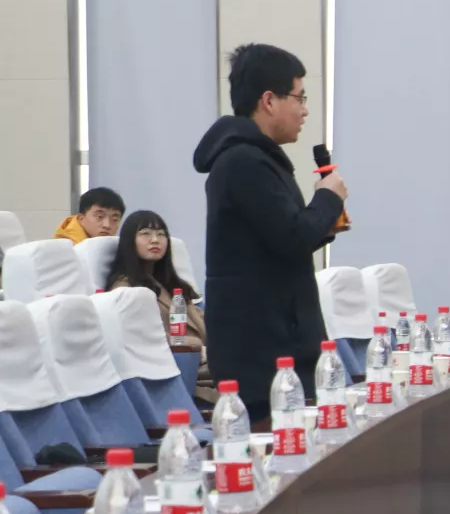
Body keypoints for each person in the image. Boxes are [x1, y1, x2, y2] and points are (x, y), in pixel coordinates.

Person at [193, 43, 347, 423]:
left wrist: (322, 218)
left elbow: (277, 238)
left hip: (278, 345)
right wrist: (327, 199)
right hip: (262, 356)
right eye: (299, 97)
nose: (305, 110)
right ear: (268, 101)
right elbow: (292, 237)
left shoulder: (258, 157)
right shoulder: (243, 161)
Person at [106, 210, 215, 402]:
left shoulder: (174, 286)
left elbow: (204, 324)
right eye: (145, 233)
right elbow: (141, 338)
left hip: (208, 366)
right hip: (179, 373)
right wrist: (197, 346)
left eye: (161, 234)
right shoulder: (125, 288)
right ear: (129, 242)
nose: (155, 240)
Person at [54, 187, 125, 244]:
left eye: (115, 219)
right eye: (99, 216)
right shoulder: (64, 249)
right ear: (81, 219)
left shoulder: (114, 247)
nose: (107, 225)